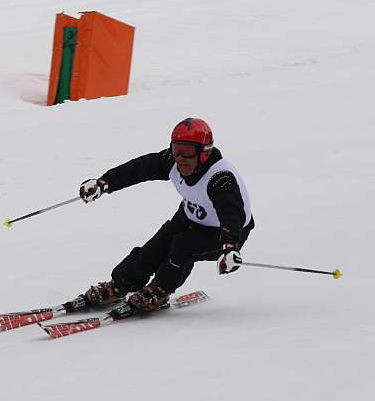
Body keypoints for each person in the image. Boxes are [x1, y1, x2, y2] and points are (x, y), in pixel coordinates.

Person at [76, 118, 255, 314]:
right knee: (158, 245)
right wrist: (104, 183)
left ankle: (160, 290)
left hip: (223, 232)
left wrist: (230, 246)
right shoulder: (173, 161)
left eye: (187, 152)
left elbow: (231, 213)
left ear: (205, 153)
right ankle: (120, 285)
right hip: (190, 216)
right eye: (176, 149)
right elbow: (139, 168)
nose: (180, 158)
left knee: (183, 246)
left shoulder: (220, 178)